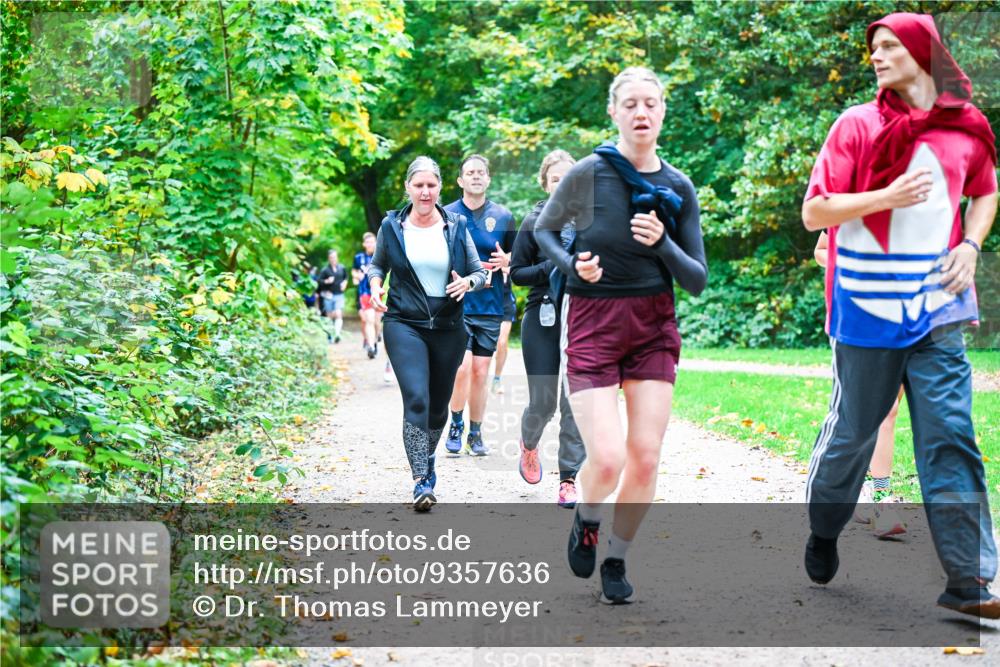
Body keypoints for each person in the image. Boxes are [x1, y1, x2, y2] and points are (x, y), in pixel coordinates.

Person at [801, 13, 998, 618]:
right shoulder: (857, 125)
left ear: (923, 52)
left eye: (890, 46)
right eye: (874, 48)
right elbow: (815, 213)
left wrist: (971, 244)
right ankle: (824, 526)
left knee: (951, 436)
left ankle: (971, 579)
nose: (877, 56)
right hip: (865, 310)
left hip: (939, 308)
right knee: (853, 435)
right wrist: (885, 197)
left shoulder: (966, 128)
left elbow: (986, 189)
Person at [534, 67, 707, 604]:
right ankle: (587, 518)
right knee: (607, 458)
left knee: (646, 456)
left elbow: (696, 279)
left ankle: (616, 557)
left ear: (663, 111)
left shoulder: (678, 186)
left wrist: (663, 243)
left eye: (650, 103)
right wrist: (572, 266)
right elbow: (543, 230)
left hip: (653, 326)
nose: (641, 113)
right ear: (613, 111)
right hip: (593, 322)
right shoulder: (587, 174)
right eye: (630, 104)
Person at [368, 156, 488, 511]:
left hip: (448, 327)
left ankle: (428, 458)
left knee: (437, 409)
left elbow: (480, 273)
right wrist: (375, 285)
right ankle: (421, 480)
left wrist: (468, 283)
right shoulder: (392, 226)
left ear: (440, 188)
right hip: (403, 322)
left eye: (431, 185)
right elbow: (377, 265)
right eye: (418, 185)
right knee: (417, 399)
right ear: (408, 187)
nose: (425, 192)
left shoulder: (456, 225)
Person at [814, 231, 906, 538]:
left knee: (888, 411)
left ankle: (870, 491)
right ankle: (876, 498)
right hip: (860, 315)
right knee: (873, 412)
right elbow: (821, 250)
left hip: (910, 314)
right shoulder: (853, 203)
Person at [510, 149, 586, 508]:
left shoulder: (592, 222)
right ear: (545, 183)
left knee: (575, 401)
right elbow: (517, 273)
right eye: (555, 179)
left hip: (582, 318)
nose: (562, 184)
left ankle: (568, 479)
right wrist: (552, 266)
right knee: (543, 402)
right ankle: (529, 444)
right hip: (542, 316)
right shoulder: (533, 221)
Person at [443, 155, 517, 456]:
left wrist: (508, 260)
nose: (476, 176)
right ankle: (456, 423)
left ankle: (475, 432)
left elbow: (518, 259)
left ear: (488, 179)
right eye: (470, 172)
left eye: (481, 172)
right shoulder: (446, 214)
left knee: (480, 371)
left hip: (490, 305)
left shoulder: (504, 216)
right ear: (460, 180)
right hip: (457, 304)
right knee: (461, 369)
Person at [353, 233, 380, 359]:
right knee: (369, 319)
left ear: (376, 242)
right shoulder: (358, 257)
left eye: (372, 242)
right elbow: (354, 271)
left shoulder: (381, 255)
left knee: (377, 322)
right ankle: (371, 347)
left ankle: (375, 340)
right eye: (368, 242)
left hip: (380, 292)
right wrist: (356, 276)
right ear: (364, 244)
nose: (370, 244)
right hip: (365, 292)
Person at [489, 276, 516, 395]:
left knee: (502, 342)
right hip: (488, 300)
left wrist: (507, 269)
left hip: (506, 301)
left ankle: (497, 379)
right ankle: (480, 378)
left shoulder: (510, 261)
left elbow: (518, 271)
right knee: (486, 344)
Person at [317, 250, 348, 343]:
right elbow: (319, 281)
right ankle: (330, 336)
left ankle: (337, 334)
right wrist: (326, 281)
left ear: (337, 257)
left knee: (338, 313)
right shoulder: (325, 270)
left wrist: (344, 283)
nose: (333, 259)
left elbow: (346, 278)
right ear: (328, 259)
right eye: (331, 257)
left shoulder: (342, 268)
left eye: (334, 257)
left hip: (339, 295)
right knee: (329, 316)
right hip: (328, 295)